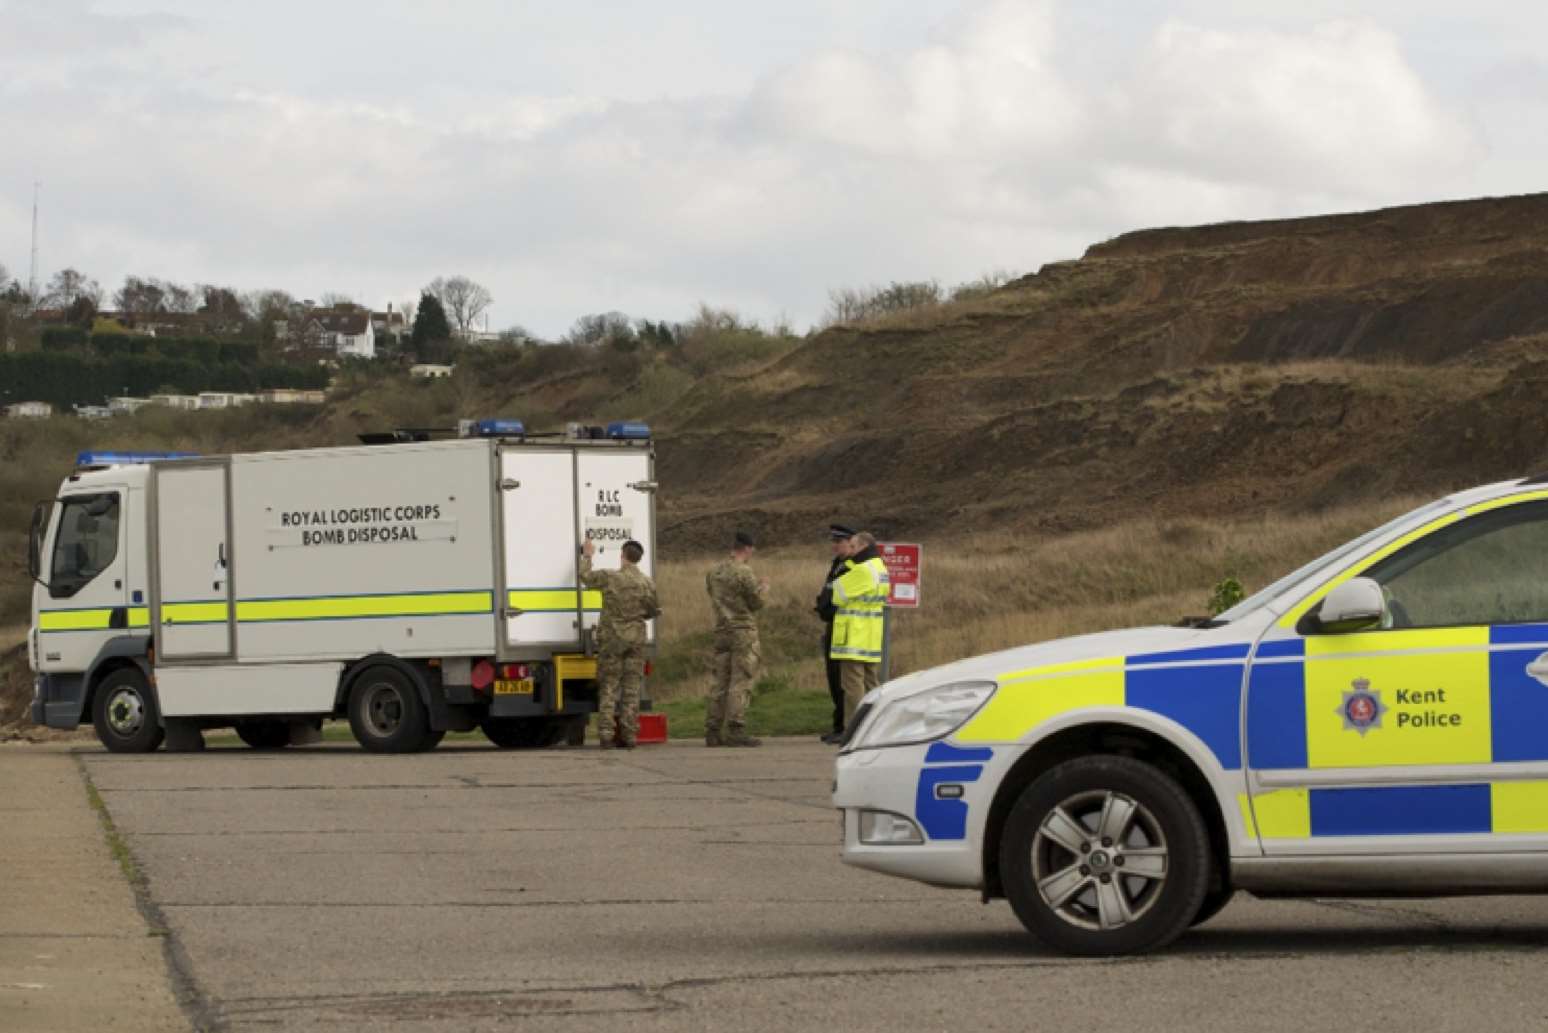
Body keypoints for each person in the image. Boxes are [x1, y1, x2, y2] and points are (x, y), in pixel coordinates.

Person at [580, 536, 660, 749]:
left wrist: (587, 556)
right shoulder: (647, 583)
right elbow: (653, 611)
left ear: (622, 555)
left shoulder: (610, 577)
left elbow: (585, 576)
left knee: (609, 686)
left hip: (612, 640)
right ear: (639, 559)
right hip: (636, 641)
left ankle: (607, 734)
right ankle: (630, 734)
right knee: (632, 688)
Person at [704, 530, 768, 747]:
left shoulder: (713, 571)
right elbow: (756, 603)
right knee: (740, 681)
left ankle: (713, 730)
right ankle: (735, 729)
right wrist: (763, 589)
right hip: (742, 631)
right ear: (747, 549)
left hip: (722, 630)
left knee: (720, 681)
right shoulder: (744, 572)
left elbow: (712, 595)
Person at [830, 531, 890, 726]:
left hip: (854, 635)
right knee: (871, 683)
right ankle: (876, 724)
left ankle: (854, 728)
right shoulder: (880, 568)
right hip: (870, 635)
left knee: (852, 685)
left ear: (864, 546)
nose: (852, 551)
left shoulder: (862, 569)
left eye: (854, 547)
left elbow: (837, 593)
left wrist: (839, 579)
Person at [814, 523, 857, 744]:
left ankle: (843, 726)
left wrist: (827, 608)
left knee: (843, 680)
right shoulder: (837, 565)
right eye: (834, 542)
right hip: (834, 625)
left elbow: (841, 597)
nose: (835, 546)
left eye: (839, 542)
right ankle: (838, 725)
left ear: (851, 543)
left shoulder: (851, 566)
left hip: (845, 625)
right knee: (833, 678)